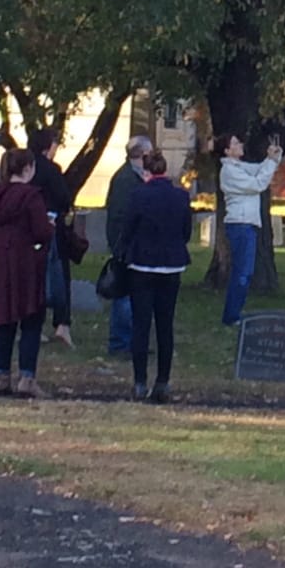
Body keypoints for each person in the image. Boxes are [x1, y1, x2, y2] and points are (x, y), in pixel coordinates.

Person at [120, 150, 192, 403]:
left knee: (141, 325)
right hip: (171, 266)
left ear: (146, 172)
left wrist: (123, 251)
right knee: (165, 326)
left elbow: (127, 228)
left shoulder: (138, 195)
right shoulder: (181, 197)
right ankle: (163, 381)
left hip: (142, 264)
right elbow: (186, 232)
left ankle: (140, 382)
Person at [0, 148, 53, 398]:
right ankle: (27, 377)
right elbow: (41, 231)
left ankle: (1, 376)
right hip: (24, 263)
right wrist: (50, 226)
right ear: (28, 169)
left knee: (4, 321)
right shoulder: (31, 196)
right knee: (30, 319)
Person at [215, 132, 282, 326]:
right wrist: (270, 162)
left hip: (246, 225)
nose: (240, 144)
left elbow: (258, 169)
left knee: (245, 272)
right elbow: (258, 183)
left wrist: (273, 157)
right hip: (240, 225)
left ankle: (234, 313)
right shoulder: (229, 171)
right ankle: (231, 316)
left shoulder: (239, 167)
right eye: (235, 143)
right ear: (228, 151)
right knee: (242, 273)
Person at [105, 134, 153, 355]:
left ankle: (132, 341)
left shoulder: (132, 177)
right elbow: (122, 216)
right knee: (124, 295)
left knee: (133, 295)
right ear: (143, 154)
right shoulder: (126, 180)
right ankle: (120, 342)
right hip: (126, 245)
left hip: (131, 244)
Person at [28, 128, 73, 348]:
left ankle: (33, 322)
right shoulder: (51, 170)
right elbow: (64, 197)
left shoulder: (24, 167)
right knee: (56, 274)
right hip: (50, 226)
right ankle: (62, 323)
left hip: (25, 229)